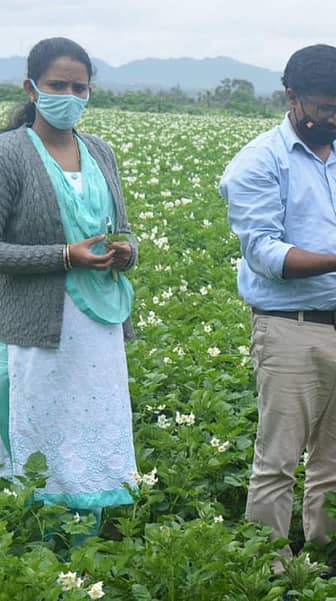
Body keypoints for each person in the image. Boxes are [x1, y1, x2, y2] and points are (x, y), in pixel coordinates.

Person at [219, 44, 336, 571]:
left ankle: (325, 561)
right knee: (277, 460)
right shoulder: (258, 162)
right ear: (292, 96)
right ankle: (270, 567)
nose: (335, 119)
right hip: (290, 331)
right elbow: (262, 252)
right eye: (324, 108)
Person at [0, 37, 139, 533]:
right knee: (42, 429)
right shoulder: (9, 153)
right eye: (58, 85)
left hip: (99, 325)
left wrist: (126, 253)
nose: (69, 95)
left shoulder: (99, 150)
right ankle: (42, 536)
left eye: (79, 87)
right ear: (32, 88)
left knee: (94, 426)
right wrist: (64, 256)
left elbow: (124, 230)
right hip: (38, 326)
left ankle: (92, 535)